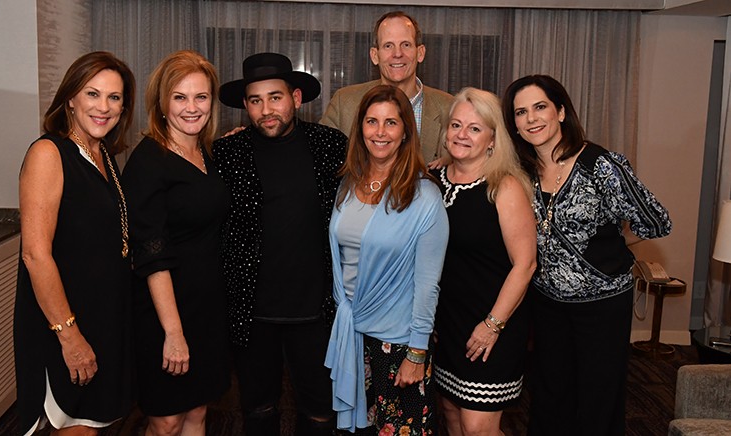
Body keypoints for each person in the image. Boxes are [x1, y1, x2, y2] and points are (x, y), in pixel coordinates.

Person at [502, 74, 672, 436]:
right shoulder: (521, 170)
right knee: (550, 394)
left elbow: (656, 221)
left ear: (561, 111)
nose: (531, 118)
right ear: (514, 124)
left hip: (602, 306)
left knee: (598, 399)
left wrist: (607, 241)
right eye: (520, 112)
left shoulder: (601, 165)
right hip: (547, 303)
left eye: (540, 107)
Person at [212, 52, 346, 436]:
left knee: (321, 411)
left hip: (317, 312)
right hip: (252, 313)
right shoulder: (227, 154)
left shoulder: (330, 146)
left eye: (275, 97)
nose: (265, 109)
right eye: (255, 101)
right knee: (257, 409)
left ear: (296, 99)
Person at [14, 51, 135, 435]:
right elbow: (35, 254)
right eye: (92, 94)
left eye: (114, 97)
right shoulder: (49, 153)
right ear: (70, 99)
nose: (104, 107)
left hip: (100, 320)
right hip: (63, 325)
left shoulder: (103, 155)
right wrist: (69, 336)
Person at [326, 84, 449, 435]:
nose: (380, 132)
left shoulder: (424, 196)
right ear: (360, 128)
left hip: (397, 341)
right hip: (352, 333)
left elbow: (428, 284)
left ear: (406, 132)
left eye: (391, 123)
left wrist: (416, 353)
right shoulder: (348, 183)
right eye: (371, 121)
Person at [120, 50, 228, 435]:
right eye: (180, 97)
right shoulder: (149, 162)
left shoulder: (205, 153)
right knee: (165, 420)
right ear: (162, 103)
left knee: (197, 412)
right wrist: (174, 332)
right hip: (164, 312)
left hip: (207, 308)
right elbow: (152, 255)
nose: (191, 107)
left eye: (200, 97)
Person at [431, 87, 536, 436]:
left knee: (478, 425)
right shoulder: (434, 180)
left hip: (494, 322)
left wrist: (492, 324)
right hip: (447, 322)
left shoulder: (504, 187)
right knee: (451, 413)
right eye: (456, 125)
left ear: (492, 138)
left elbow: (526, 265)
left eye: (475, 128)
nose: (462, 135)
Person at [320, 10, 454, 166]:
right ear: (375, 55)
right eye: (388, 46)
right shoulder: (344, 103)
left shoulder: (449, 108)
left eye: (406, 45)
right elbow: (322, 162)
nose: (397, 54)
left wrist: (452, 162)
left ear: (420, 53)